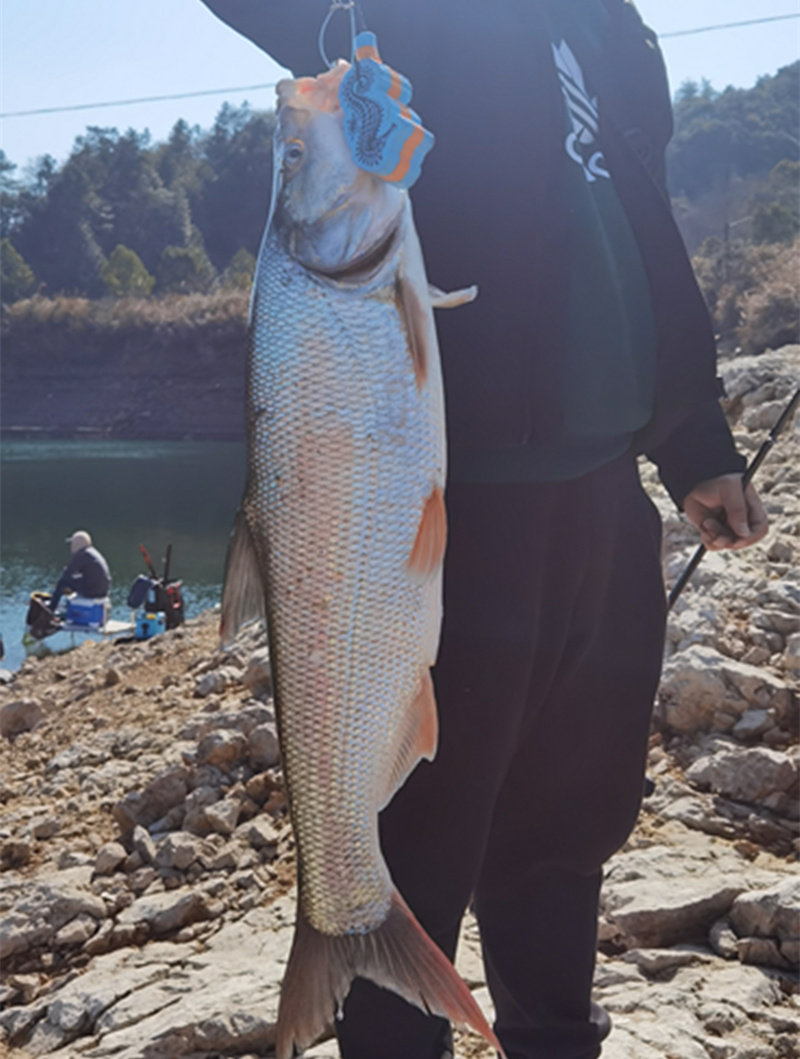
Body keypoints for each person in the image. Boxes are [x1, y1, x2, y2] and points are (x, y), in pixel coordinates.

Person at [198, 3, 768, 1057]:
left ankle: (555, 1039)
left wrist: (691, 441)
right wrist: (342, 25)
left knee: (566, 826)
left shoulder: (604, 28)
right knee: (419, 839)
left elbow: (632, 218)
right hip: (450, 506)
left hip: (601, 503)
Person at [50, 530, 111, 614]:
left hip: (92, 591)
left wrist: (60, 584)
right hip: (103, 591)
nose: (71, 546)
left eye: (72, 544)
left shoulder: (81, 555)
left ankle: (50, 608)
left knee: (63, 582)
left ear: (77, 544)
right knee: (73, 581)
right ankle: (66, 606)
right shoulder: (92, 553)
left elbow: (68, 573)